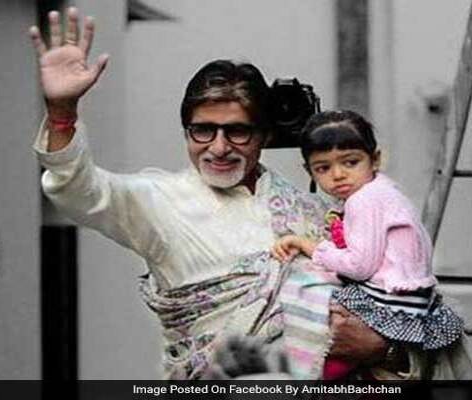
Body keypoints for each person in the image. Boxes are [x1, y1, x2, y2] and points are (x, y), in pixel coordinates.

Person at [28, 8, 392, 379]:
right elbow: (78, 189)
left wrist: (381, 349)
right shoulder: (160, 200)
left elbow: (393, 308)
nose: (218, 148)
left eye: (237, 131)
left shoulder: (315, 212)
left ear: (266, 135)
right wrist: (62, 112)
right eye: (202, 130)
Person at [272, 110, 472, 380]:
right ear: (309, 171)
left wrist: (311, 247)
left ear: (375, 159)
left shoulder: (364, 200)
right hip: (412, 296)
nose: (338, 175)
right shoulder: (385, 191)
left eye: (351, 162)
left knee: (307, 299)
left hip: (390, 300)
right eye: (323, 168)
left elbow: (359, 266)